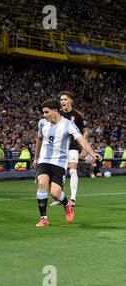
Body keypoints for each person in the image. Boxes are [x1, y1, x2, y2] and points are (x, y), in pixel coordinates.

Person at [32, 99, 102, 228]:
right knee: (42, 183)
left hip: (60, 162)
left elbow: (82, 140)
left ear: (55, 111)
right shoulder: (42, 123)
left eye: (46, 112)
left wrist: (92, 153)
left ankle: (66, 204)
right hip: (44, 160)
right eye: (43, 112)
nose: (44, 115)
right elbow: (39, 140)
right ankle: (43, 218)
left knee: (55, 193)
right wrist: (36, 158)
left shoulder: (68, 125)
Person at [50, 91, 84, 207]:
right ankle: (59, 197)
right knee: (58, 172)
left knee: (73, 170)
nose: (63, 102)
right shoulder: (57, 114)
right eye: (61, 100)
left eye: (65, 99)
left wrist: (84, 148)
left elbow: (82, 132)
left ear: (71, 101)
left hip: (73, 147)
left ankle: (73, 198)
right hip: (59, 148)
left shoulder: (77, 116)